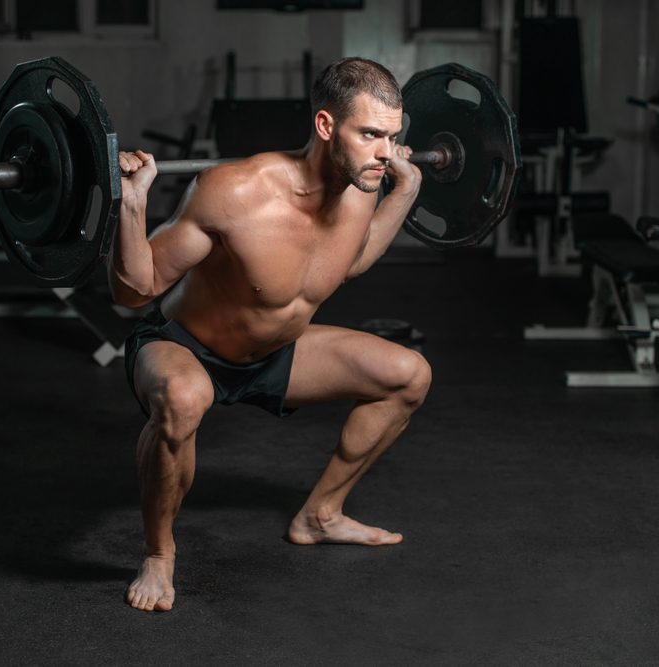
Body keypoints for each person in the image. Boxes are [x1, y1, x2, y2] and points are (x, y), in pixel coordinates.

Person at [110, 57, 432, 612]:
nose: (386, 152)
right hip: (185, 347)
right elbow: (133, 292)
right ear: (327, 126)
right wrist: (131, 203)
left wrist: (405, 192)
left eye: (394, 137)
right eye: (372, 135)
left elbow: (349, 261)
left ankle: (320, 516)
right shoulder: (232, 192)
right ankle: (158, 555)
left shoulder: (365, 187)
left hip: (274, 354)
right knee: (185, 401)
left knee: (408, 374)